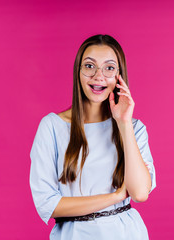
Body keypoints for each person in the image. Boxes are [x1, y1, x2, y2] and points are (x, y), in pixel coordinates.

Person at [29, 34, 156, 239]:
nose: (99, 76)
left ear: (119, 76)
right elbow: (48, 204)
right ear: (78, 72)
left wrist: (123, 123)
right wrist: (114, 196)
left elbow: (140, 193)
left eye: (109, 68)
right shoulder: (52, 127)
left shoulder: (133, 128)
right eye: (89, 66)